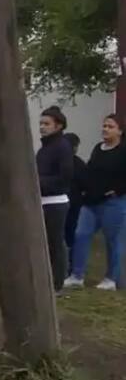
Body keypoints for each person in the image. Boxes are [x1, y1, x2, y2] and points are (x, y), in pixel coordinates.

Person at [64, 114, 126, 291]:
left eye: (110, 126)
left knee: (113, 241)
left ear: (120, 131)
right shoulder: (99, 148)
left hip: (113, 203)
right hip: (91, 202)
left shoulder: (123, 151)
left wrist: (117, 190)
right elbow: (90, 170)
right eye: (104, 126)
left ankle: (110, 279)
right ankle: (77, 275)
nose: (105, 129)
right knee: (81, 234)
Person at [36, 107, 74, 292]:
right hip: (42, 200)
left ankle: (57, 284)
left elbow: (64, 177)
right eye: (41, 123)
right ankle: (46, 279)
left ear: (58, 126)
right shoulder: (45, 148)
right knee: (44, 244)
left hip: (55, 202)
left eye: (46, 124)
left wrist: (38, 181)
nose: (42, 127)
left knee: (55, 243)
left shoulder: (62, 147)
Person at [64, 132, 88, 271]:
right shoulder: (78, 163)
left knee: (64, 235)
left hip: (67, 204)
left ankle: (66, 265)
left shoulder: (60, 161)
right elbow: (86, 184)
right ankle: (70, 265)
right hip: (74, 204)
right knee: (71, 235)